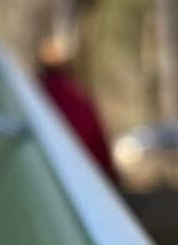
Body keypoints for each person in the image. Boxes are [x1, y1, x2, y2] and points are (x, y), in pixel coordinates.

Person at [36, 37, 121, 189]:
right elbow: (97, 138)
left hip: (49, 174)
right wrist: (111, 173)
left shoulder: (36, 95)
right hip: (82, 173)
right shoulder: (77, 98)